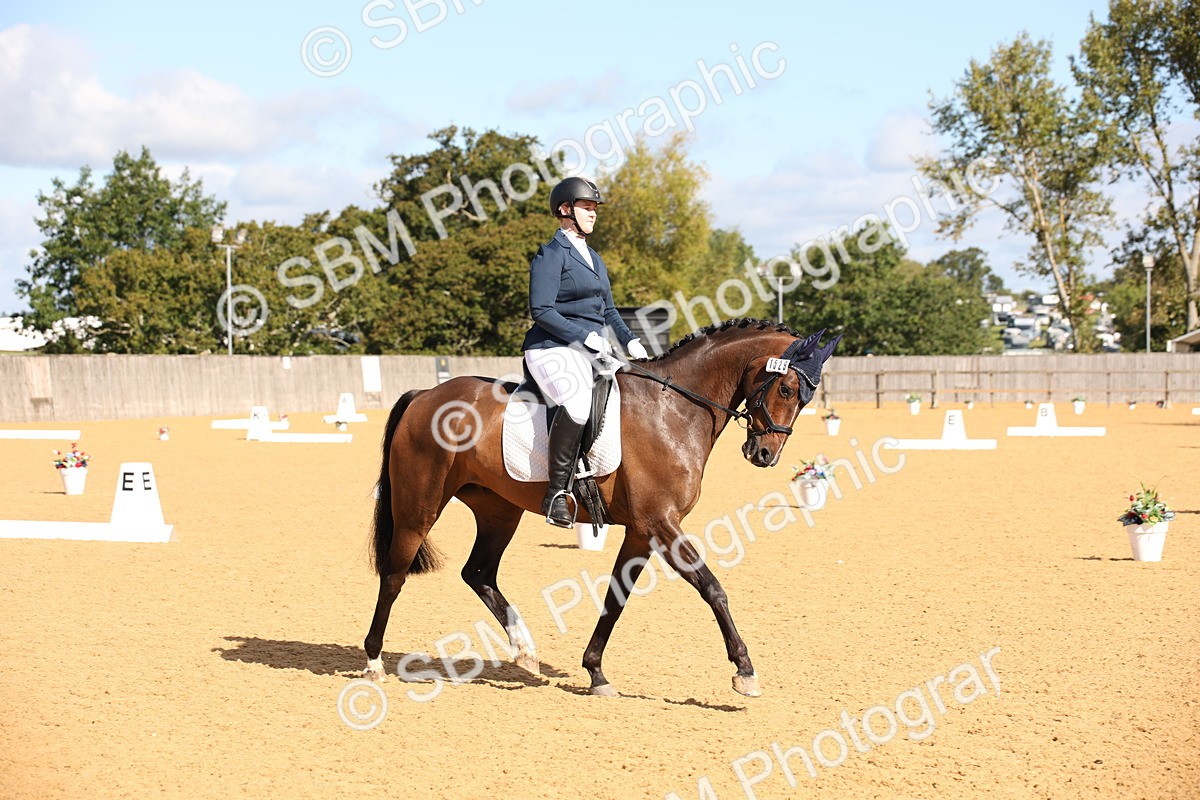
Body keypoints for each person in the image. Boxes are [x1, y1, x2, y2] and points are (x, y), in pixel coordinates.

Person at [522, 176, 649, 527]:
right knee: (577, 403)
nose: (593, 215)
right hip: (552, 347)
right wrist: (585, 337)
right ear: (566, 210)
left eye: (594, 209)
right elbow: (542, 310)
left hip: (590, 350)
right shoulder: (550, 255)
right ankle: (556, 494)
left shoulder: (593, 257)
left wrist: (630, 340)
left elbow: (608, 311)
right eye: (587, 208)